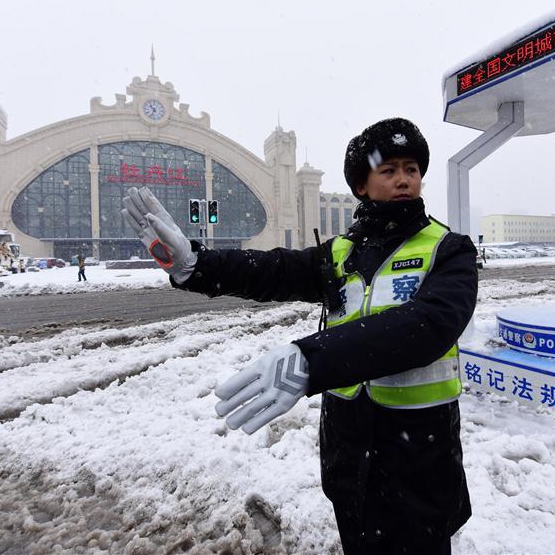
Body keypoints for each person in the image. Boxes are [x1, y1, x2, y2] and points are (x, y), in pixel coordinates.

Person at [122, 118, 478, 554]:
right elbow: (271, 270)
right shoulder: (341, 253)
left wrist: (312, 359)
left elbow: (428, 327)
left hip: (419, 456)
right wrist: (195, 264)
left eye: (412, 169)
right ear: (362, 186)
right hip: (350, 455)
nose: (404, 179)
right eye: (389, 170)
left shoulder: (449, 249)